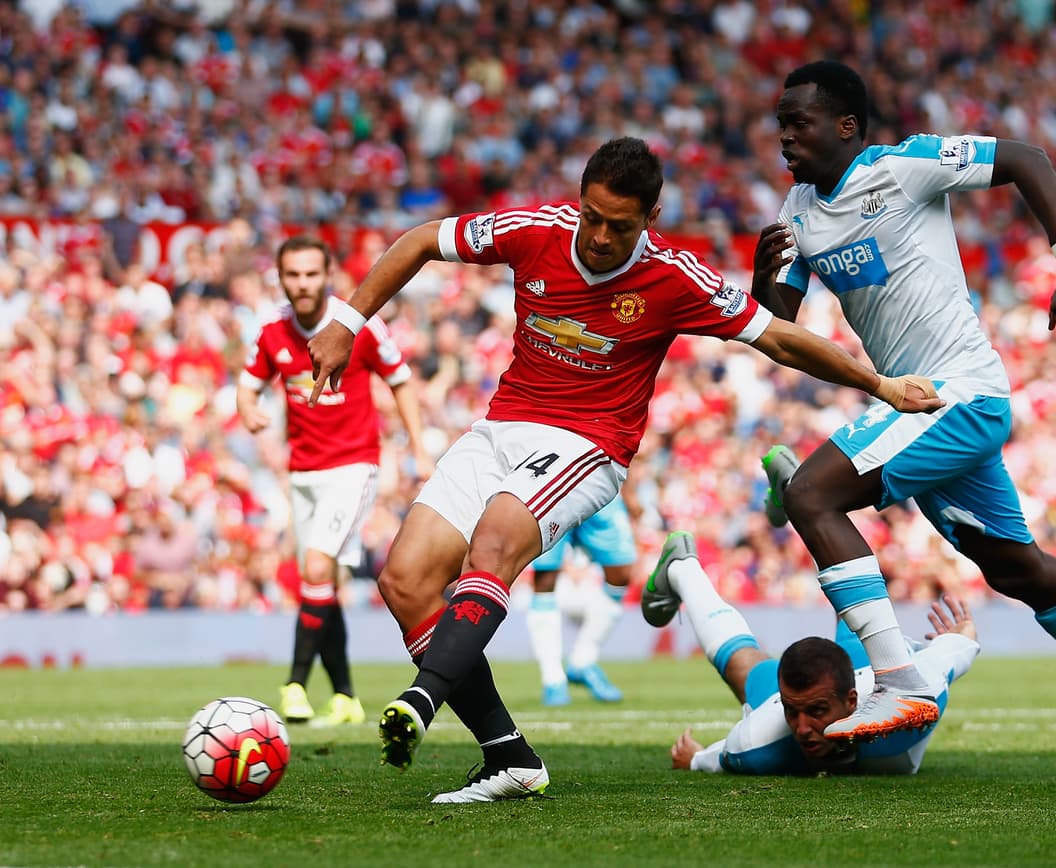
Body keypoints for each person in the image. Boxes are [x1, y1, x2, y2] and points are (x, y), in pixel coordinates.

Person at [304, 137, 944, 803]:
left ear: (651, 217)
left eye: (621, 225)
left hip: (587, 443)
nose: (602, 236)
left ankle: (422, 699)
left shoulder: (674, 278)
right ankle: (508, 758)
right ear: (579, 201)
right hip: (499, 427)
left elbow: (778, 336)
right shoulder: (534, 230)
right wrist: (348, 321)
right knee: (405, 582)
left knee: (492, 545)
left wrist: (884, 386)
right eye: (593, 217)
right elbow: (417, 241)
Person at [751, 61, 1056, 781]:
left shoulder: (906, 166)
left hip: (959, 392)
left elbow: (1026, 159)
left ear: (845, 126)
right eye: (780, 124)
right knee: (1012, 566)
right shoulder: (796, 212)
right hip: (920, 404)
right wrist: (764, 279)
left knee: (810, 493)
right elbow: (782, 329)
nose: (785, 137)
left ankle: (899, 681)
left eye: (798, 122)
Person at [237, 235, 430, 727]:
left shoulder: (358, 325)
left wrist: (420, 450)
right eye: (293, 275)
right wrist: (248, 407)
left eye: (311, 274)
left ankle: (295, 684)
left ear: (327, 277)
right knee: (324, 585)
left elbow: (401, 379)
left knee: (317, 568)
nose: (302, 284)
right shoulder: (272, 333)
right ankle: (345, 696)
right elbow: (249, 380)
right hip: (302, 472)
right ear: (281, 279)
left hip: (353, 466)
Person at [642, 532, 978, 776]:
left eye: (817, 710)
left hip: (867, 667)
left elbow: (951, 655)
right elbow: (720, 756)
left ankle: (798, 495)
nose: (802, 728)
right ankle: (681, 567)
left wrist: (961, 637)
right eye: (792, 711)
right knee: (742, 664)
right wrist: (696, 758)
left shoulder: (914, 707)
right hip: (818, 691)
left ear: (850, 702)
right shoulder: (761, 742)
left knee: (859, 615)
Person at [527, 491, 636, 706]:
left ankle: (582, 661)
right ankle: (553, 679)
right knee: (545, 578)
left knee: (621, 573)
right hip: (552, 489)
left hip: (600, 486)